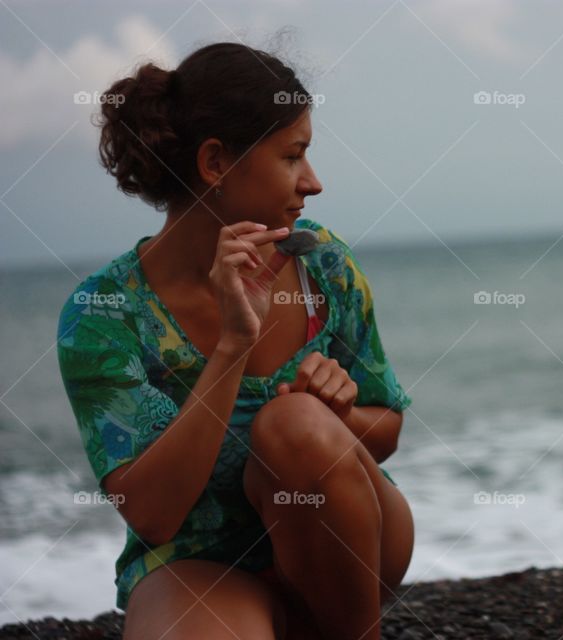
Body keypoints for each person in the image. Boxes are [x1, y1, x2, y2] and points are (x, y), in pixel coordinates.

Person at [56, 42, 413, 640]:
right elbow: (153, 516)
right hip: (200, 562)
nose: (314, 182)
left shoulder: (321, 265)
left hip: (347, 549)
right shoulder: (104, 312)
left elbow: (388, 432)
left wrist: (334, 418)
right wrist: (233, 346)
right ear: (216, 162)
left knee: (294, 424)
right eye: (293, 156)